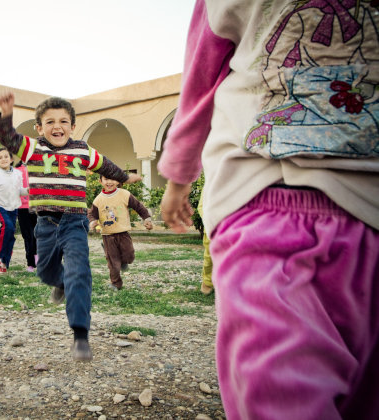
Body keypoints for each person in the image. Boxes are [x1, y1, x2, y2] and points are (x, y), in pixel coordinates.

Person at [158, 1, 379, 418]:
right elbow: (201, 79)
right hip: (262, 194)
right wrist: (178, 175)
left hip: (370, 210)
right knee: (281, 391)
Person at [0, 92, 142, 362]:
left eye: (63, 121)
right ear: (39, 128)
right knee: (46, 271)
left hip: (75, 222)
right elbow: (8, 139)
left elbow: (107, 165)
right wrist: (5, 116)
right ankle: (60, 282)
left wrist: (125, 176)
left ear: (72, 127)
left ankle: (80, 335)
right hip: (46, 223)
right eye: (49, 122)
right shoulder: (33, 148)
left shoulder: (83, 150)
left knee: (79, 273)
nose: (57, 127)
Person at [88, 174, 153, 291]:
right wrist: (92, 222)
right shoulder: (98, 200)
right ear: (100, 181)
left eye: (113, 179)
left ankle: (124, 261)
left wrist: (146, 218)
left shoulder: (124, 194)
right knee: (113, 262)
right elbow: (92, 214)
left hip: (123, 233)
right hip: (107, 235)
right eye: (106, 179)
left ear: (118, 181)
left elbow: (138, 207)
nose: (110, 182)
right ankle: (115, 283)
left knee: (129, 255)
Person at [15, 161, 38, 272]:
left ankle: (38, 260)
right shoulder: (16, 170)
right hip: (22, 208)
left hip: (37, 206)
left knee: (38, 234)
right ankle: (30, 263)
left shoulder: (38, 166)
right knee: (28, 236)